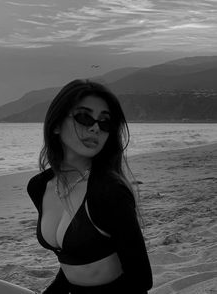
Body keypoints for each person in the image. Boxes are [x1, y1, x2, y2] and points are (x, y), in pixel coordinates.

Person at [27, 79, 153, 294]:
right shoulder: (39, 186)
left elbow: (141, 279)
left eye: (105, 123)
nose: (95, 127)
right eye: (84, 117)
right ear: (56, 124)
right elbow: (74, 261)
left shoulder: (109, 191)